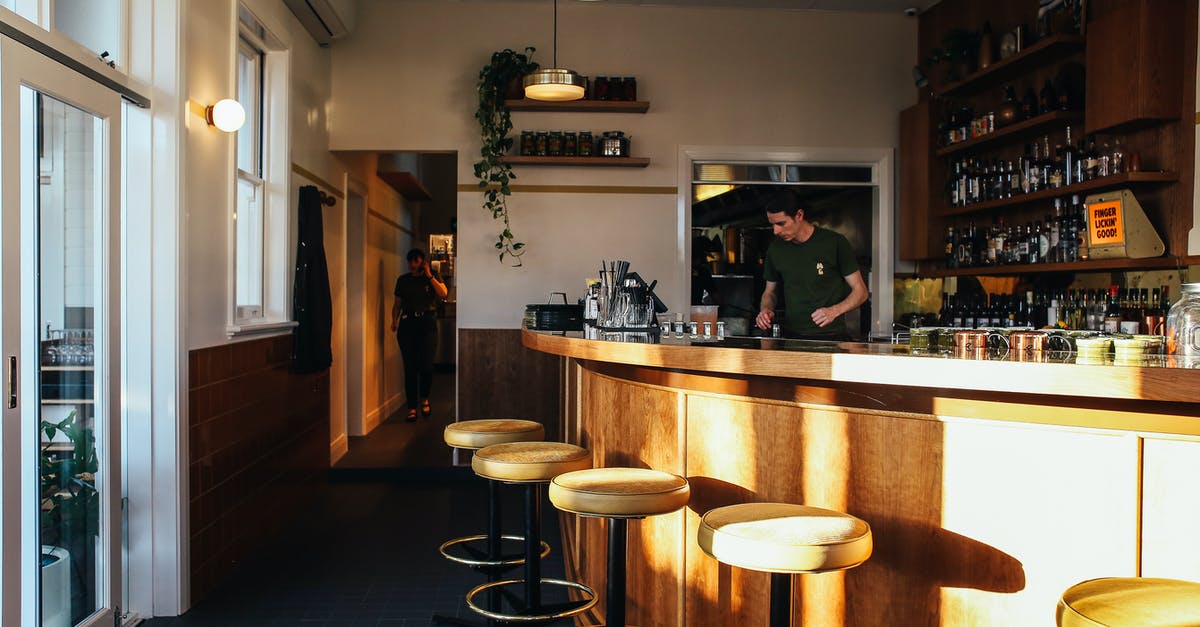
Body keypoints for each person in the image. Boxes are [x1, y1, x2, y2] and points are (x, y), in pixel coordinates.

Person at [755, 196, 868, 341]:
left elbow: (861, 291)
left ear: (799, 215)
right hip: (791, 338)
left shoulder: (834, 243)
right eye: (773, 225)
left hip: (832, 337)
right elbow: (770, 292)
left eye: (781, 223)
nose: (775, 231)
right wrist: (765, 309)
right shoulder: (776, 248)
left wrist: (835, 311)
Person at [390, 248, 448, 422]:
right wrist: (394, 320)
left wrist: (429, 275)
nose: (412, 265)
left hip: (427, 324)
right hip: (408, 325)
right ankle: (412, 407)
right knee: (410, 367)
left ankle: (425, 398)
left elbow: (443, 293)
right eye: (411, 261)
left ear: (423, 262)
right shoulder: (403, 280)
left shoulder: (432, 276)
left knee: (426, 366)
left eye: (416, 261)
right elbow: (397, 304)